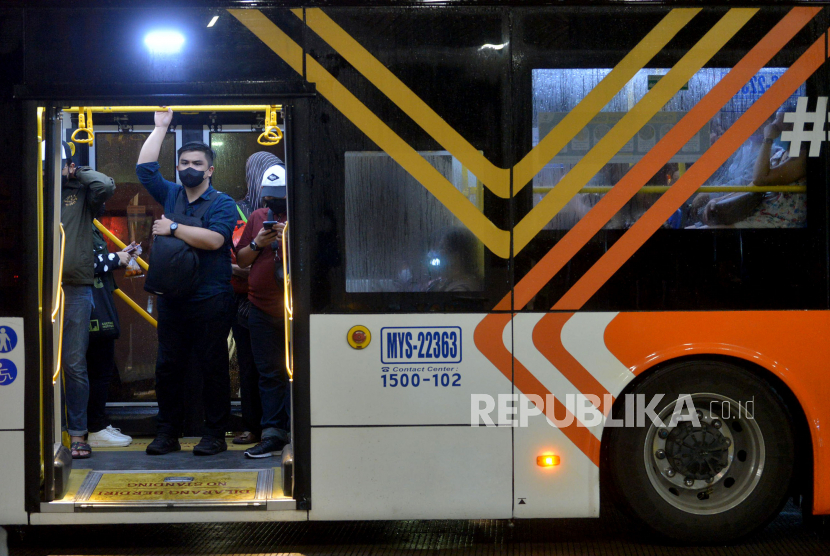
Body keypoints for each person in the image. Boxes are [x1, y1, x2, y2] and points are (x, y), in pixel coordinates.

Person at [136, 108, 238, 456]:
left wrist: (174, 228)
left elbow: (216, 241)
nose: (189, 169)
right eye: (183, 164)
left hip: (211, 298)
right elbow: (145, 168)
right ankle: (168, 433)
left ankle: (214, 435)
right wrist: (161, 126)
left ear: (210, 170)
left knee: (213, 367)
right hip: (172, 298)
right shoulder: (171, 195)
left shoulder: (222, 203)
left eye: (197, 164)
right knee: (168, 368)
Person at [59, 141, 116, 459]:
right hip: (38, 289)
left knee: (74, 363)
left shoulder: (80, 193)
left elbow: (105, 184)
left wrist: (74, 171)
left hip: (75, 287)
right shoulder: (36, 190)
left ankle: (78, 433)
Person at [235, 155, 291, 458]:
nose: (274, 206)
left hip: (294, 309)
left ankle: (298, 429)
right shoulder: (257, 217)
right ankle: (272, 434)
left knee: (297, 373)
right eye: (270, 199)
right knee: (267, 374)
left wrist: (288, 240)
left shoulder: (301, 214)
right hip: (259, 308)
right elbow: (241, 259)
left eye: (280, 199)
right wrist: (257, 242)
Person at [230, 152, 277, 446]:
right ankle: (252, 425)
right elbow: (233, 255)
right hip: (245, 299)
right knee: (249, 365)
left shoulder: (290, 208)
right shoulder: (239, 208)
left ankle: (281, 424)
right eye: (266, 174)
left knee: (279, 366)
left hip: (279, 297)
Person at [693, 112, 807, 228]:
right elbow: (750, 185)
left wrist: (768, 139)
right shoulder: (778, 154)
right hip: (762, 210)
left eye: (779, 122)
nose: (773, 127)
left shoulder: (800, 158)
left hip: (779, 218)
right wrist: (718, 199)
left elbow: (759, 179)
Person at [85, 224, 134, 448]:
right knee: (97, 371)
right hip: (90, 306)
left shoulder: (88, 224)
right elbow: (82, 264)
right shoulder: (78, 224)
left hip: (97, 300)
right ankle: (94, 426)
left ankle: (98, 423)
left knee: (101, 370)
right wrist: (115, 259)